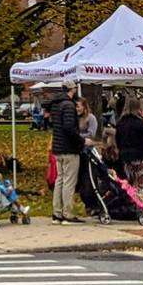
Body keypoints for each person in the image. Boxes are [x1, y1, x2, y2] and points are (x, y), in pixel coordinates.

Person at [50, 82, 85, 224]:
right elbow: (69, 128)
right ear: (72, 90)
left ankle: (56, 212)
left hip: (57, 147)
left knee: (59, 180)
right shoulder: (69, 105)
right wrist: (81, 141)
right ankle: (67, 213)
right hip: (69, 148)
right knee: (69, 182)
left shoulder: (56, 104)